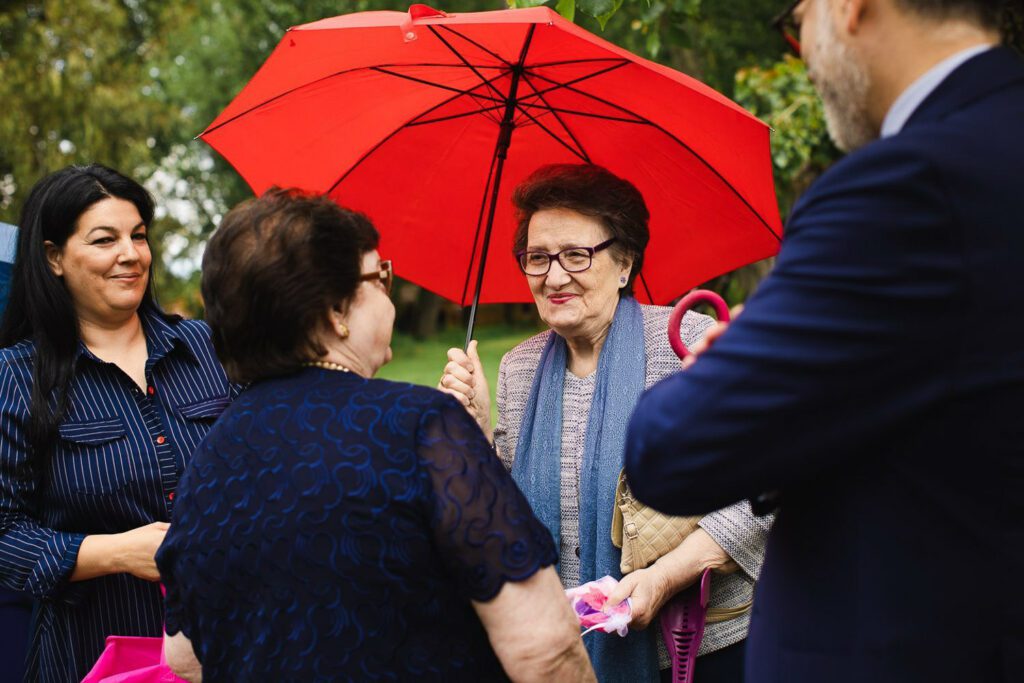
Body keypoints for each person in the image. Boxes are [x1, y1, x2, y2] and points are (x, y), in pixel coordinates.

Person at [624, 1, 1024, 682]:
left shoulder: (907, 186)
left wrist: (740, 358)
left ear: (849, 7)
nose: (801, 51)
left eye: (796, 20)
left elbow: (670, 449)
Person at [155, 189, 594, 683]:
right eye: (378, 277)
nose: (388, 294)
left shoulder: (210, 458)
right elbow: (545, 651)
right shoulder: (419, 426)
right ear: (335, 311)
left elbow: (184, 657)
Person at [439, 164, 770, 683]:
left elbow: (760, 492)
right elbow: (504, 521)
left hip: (699, 652)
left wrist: (663, 577)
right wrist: (479, 430)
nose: (553, 276)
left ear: (624, 263)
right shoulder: (519, 370)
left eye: (576, 255)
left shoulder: (686, 343)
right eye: (538, 257)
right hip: (569, 654)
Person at [0, 164, 237, 683]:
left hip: (226, 647)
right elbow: (4, 533)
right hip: (93, 655)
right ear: (53, 257)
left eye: (139, 236)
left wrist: (453, 407)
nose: (131, 255)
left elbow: (286, 447)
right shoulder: (17, 378)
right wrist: (116, 552)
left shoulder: (208, 349)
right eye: (105, 240)